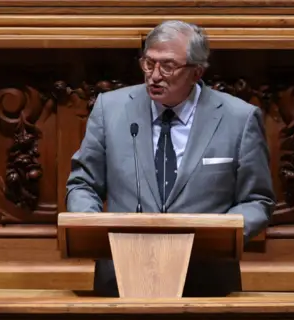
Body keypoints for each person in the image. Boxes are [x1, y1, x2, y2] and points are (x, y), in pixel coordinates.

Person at [66, 20, 274, 296]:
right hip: (121, 275)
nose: (154, 76)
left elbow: (257, 200)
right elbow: (83, 183)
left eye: (167, 66)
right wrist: (92, 229)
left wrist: (219, 233)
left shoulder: (239, 118)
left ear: (196, 72)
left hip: (205, 279)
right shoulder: (110, 109)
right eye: (148, 64)